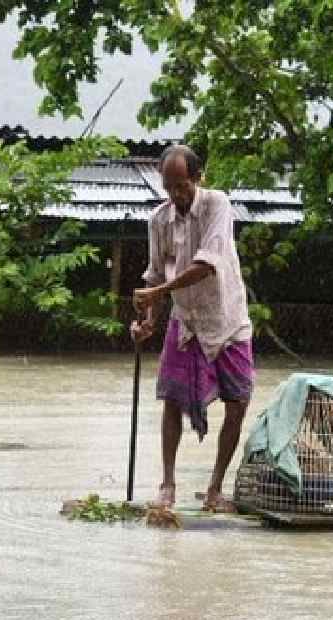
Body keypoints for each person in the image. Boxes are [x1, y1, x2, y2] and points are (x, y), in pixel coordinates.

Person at [131, 145, 255, 511]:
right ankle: (167, 485)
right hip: (186, 321)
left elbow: (206, 264)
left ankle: (215, 489)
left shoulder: (217, 205)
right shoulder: (159, 220)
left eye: (181, 186)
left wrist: (158, 291)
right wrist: (146, 320)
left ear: (198, 179)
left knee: (238, 403)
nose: (175, 195)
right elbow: (154, 272)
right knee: (171, 399)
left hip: (226, 317)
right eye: (168, 187)